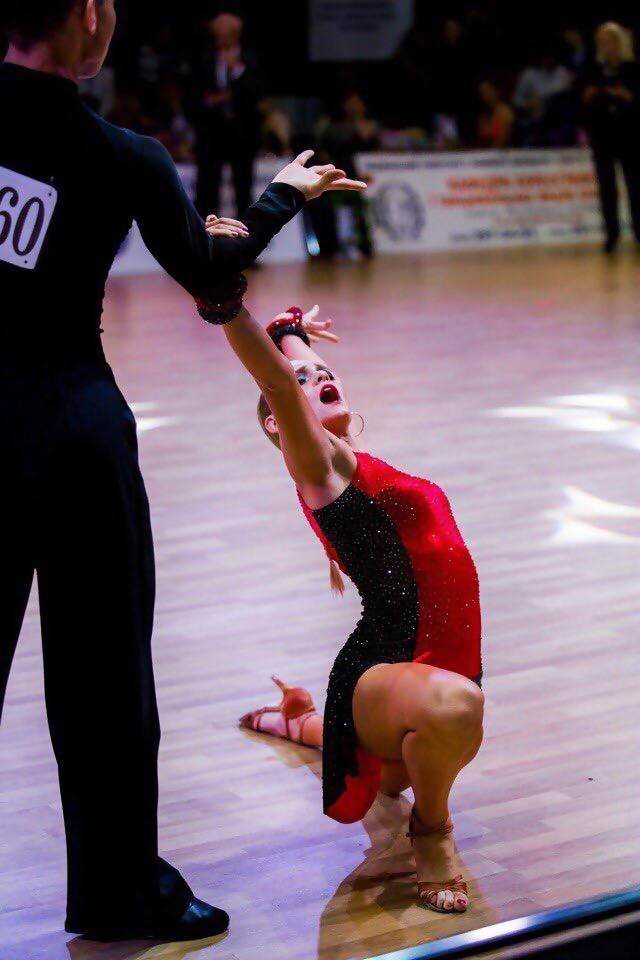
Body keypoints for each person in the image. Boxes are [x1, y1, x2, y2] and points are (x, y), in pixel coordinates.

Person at [0, 0, 364, 942]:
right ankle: (120, 895)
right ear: (87, 15)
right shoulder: (123, 155)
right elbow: (209, 267)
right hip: (70, 429)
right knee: (104, 673)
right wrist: (283, 195)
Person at [206, 297, 484, 913]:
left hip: (426, 678)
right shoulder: (318, 465)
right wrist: (223, 301)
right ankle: (431, 833)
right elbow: (278, 380)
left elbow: (293, 370)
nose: (320, 377)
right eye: (301, 382)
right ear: (278, 423)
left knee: (413, 747)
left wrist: (289, 331)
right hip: (387, 669)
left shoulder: (356, 462)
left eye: (326, 372)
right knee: (456, 708)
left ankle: (295, 719)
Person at [190, 12, 260, 219]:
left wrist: (236, 71)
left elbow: (257, 92)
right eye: (217, 36)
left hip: (242, 132)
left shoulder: (250, 60)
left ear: (235, 35)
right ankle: (205, 231)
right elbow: (195, 93)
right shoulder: (205, 59)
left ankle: (245, 232)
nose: (220, 41)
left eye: (224, 36)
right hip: (212, 133)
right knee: (207, 186)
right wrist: (209, 101)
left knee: (243, 186)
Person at [580, 22, 640, 253]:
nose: (605, 47)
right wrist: (592, 96)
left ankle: (638, 231)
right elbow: (584, 99)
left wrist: (626, 96)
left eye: (609, 42)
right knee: (606, 187)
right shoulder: (593, 70)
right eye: (601, 42)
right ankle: (611, 234)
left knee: (634, 185)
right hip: (602, 135)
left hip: (629, 135)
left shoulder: (632, 69)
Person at [476, 79, 514, 148]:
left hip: (499, 151)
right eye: (482, 92)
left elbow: (501, 140)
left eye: (488, 91)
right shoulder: (484, 115)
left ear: (497, 91)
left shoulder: (504, 112)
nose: (484, 94)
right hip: (484, 151)